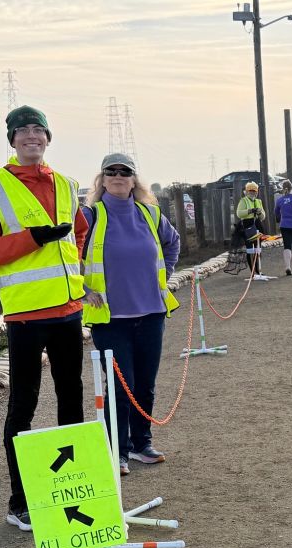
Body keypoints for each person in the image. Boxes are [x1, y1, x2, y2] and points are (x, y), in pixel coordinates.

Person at [0, 105, 89, 532]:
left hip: (68, 312)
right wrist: (32, 239)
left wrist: (71, 266)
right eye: (23, 131)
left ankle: (73, 490)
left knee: (71, 400)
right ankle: (20, 503)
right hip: (25, 317)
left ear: (48, 138)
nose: (32, 137)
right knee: (23, 406)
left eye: (39, 130)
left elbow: (79, 233)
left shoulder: (68, 185)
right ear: (12, 140)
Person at [81, 153, 180, 476]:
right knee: (120, 387)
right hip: (110, 319)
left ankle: (141, 443)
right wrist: (82, 289)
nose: (118, 176)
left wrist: (166, 273)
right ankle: (117, 450)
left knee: (145, 385)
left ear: (134, 179)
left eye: (125, 171)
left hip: (151, 314)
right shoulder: (90, 215)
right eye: (111, 171)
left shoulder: (150, 213)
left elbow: (173, 242)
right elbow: (66, 254)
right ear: (102, 179)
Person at [236, 181, 266, 276]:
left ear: (257, 192)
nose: (252, 193)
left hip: (257, 226)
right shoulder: (243, 201)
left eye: (254, 191)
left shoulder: (259, 201)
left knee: (258, 249)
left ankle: (258, 270)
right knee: (250, 250)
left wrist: (259, 212)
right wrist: (250, 211)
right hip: (247, 226)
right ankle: (253, 272)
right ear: (247, 191)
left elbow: (263, 217)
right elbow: (239, 213)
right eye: (250, 191)